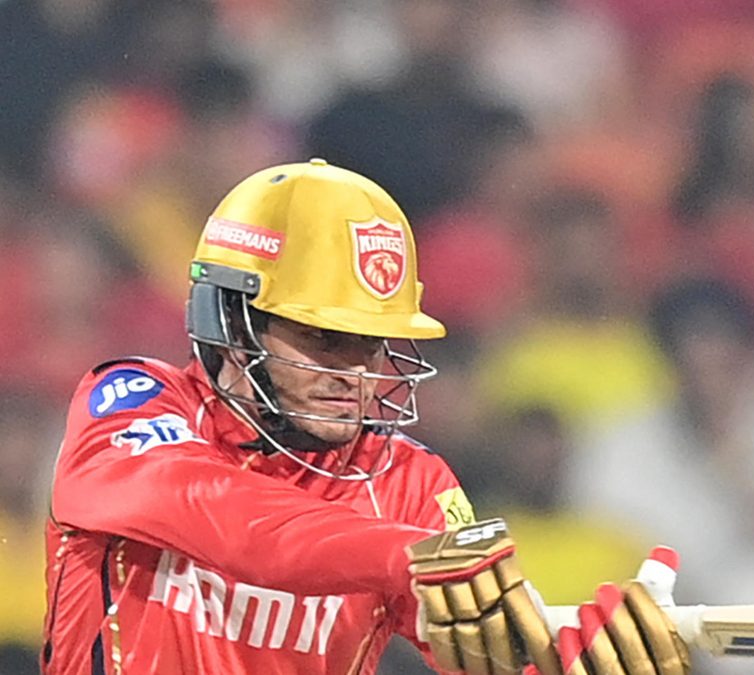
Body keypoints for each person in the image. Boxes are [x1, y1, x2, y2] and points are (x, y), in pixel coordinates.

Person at [42, 158, 689, 675]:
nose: (354, 372)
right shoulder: (131, 399)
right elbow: (224, 516)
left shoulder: (412, 483)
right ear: (232, 323)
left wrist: (581, 657)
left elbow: (489, 660)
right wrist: (406, 551)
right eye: (325, 338)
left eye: (370, 344)